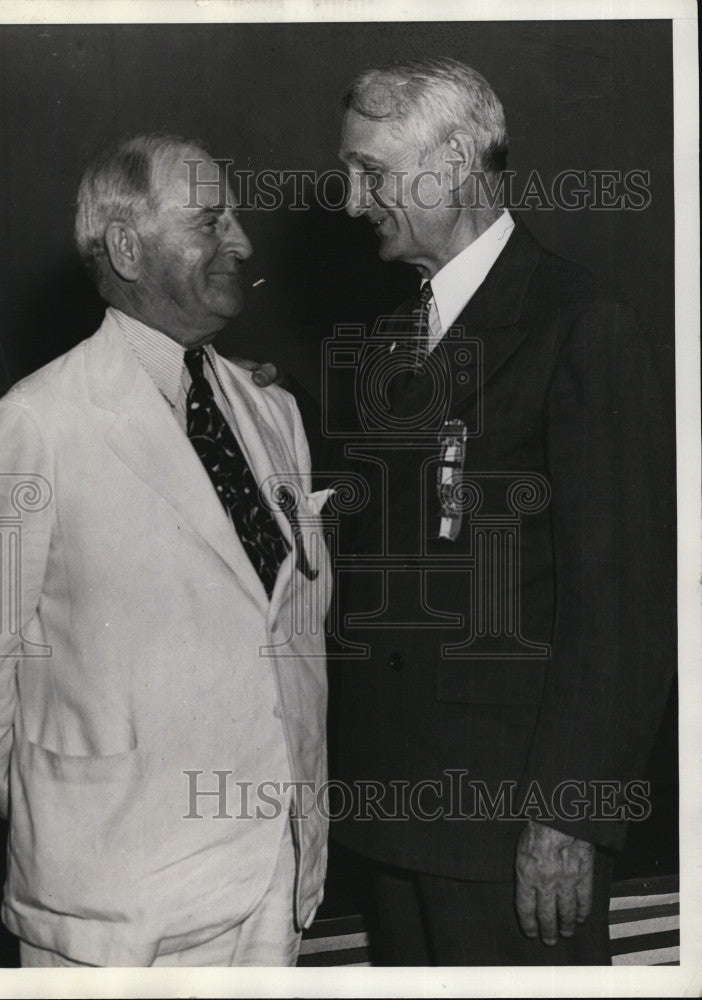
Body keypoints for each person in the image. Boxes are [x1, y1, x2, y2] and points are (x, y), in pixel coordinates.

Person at [299, 57, 674, 965]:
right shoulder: (390, 340)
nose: (353, 203)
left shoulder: (582, 322)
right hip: (391, 820)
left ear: (459, 158)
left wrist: (569, 816)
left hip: (510, 833)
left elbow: (619, 604)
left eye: (372, 174)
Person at [0, 133, 332, 968]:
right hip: (116, 912)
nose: (243, 242)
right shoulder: (29, 427)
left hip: (273, 890)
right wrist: (69, 805)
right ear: (125, 246)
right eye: (211, 220)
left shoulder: (270, 414)